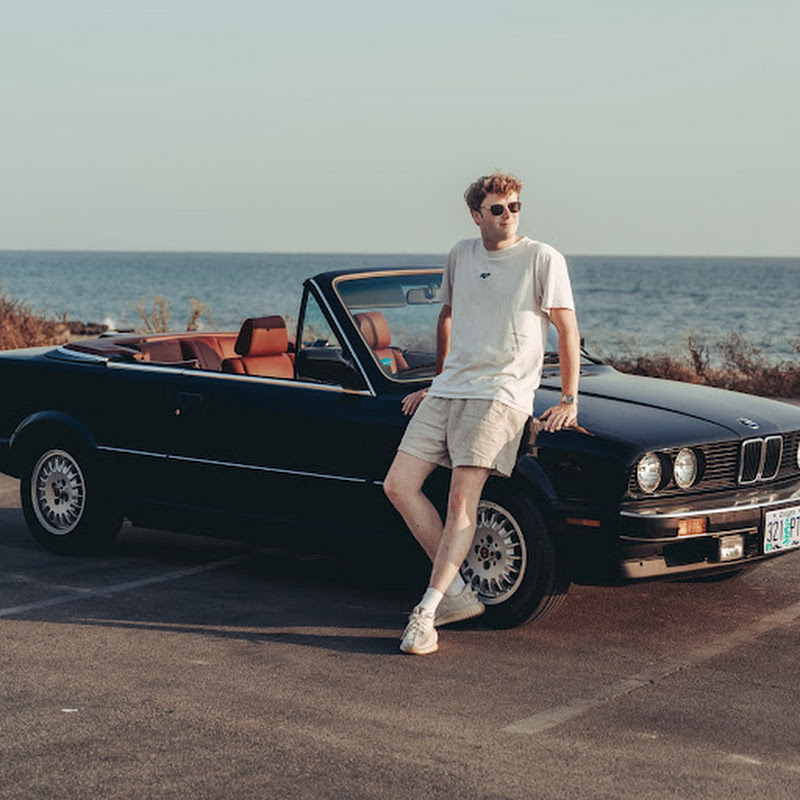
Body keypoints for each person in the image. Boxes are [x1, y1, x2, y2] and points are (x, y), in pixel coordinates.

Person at [383, 171, 581, 655]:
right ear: (476, 215)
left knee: (460, 500)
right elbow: (447, 316)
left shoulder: (542, 258)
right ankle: (455, 591)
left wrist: (568, 399)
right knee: (398, 485)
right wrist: (437, 380)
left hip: (500, 394)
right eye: (497, 208)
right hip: (450, 389)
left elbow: (566, 329)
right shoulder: (461, 254)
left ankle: (426, 612)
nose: (508, 215)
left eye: (514, 206)